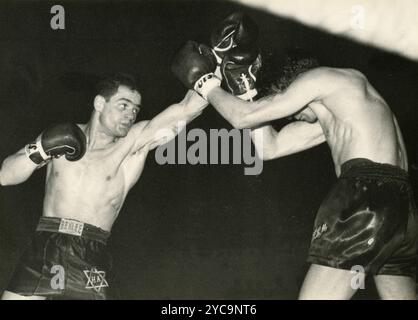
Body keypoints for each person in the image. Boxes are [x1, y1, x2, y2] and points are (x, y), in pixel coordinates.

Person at [171, 37, 418, 299]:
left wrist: (205, 83)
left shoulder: (322, 78)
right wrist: (246, 93)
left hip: (366, 198)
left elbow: (243, 117)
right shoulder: (349, 107)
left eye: (289, 105)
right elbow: (270, 148)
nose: (291, 115)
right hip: (404, 213)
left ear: (295, 85)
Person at [0, 73, 208, 300]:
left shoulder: (132, 145)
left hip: (91, 253)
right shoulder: (61, 136)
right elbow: (6, 176)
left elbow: (188, 107)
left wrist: (217, 63)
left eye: (135, 110)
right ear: (100, 103)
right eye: (123, 106)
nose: (131, 114)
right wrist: (40, 151)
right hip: (46, 245)